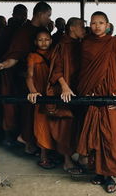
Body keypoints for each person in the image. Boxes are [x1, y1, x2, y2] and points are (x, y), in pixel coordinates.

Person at [76, 11, 116, 193]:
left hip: (110, 93)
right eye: (94, 23)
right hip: (92, 94)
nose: (97, 26)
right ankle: (98, 172)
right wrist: (86, 88)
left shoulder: (114, 42)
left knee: (110, 137)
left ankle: (109, 175)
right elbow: (84, 69)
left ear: (107, 25)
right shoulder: (86, 43)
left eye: (101, 23)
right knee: (94, 134)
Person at [0, 1, 52, 153]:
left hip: (42, 78)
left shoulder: (43, 30)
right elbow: (15, 54)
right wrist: (4, 64)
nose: (49, 19)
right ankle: (27, 141)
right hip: (24, 78)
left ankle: (37, 143)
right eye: (48, 15)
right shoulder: (24, 32)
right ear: (40, 14)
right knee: (27, 111)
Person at [46, 17, 86, 174]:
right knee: (66, 126)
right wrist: (64, 87)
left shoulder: (79, 44)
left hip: (78, 90)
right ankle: (67, 162)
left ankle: (78, 156)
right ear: (72, 28)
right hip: (66, 91)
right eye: (82, 27)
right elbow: (57, 70)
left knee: (78, 124)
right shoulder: (63, 45)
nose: (84, 29)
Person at [26, 30, 56, 169]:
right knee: (42, 125)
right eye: (40, 40)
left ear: (51, 40)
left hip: (54, 94)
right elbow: (29, 75)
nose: (43, 42)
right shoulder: (32, 56)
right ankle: (44, 157)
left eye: (46, 39)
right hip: (40, 95)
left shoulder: (55, 54)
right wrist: (33, 91)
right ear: (35, 42)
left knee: (54, 125)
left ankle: (55, 153)